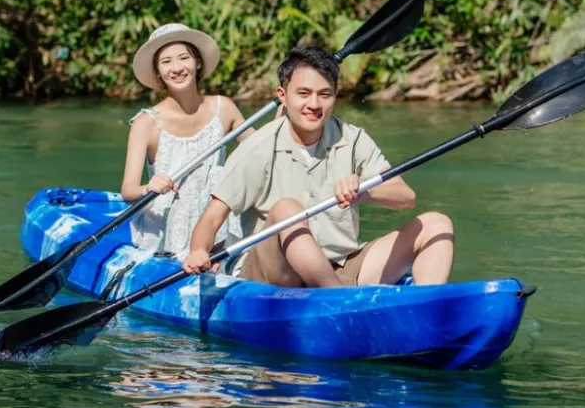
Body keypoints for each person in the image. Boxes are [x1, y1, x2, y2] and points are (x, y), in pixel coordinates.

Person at [181, 46, 455, 288]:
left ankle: (428, 304)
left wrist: (365, 191)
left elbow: (405, 197)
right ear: (283, 95)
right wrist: (199, 251)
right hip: (275, 274)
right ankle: (335, 297)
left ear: (336, 94)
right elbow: (212, 218)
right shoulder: (257, 148)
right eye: (303, 94)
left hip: (341, 264)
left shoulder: (353, 138)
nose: (314, 104)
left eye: (324, 95)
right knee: (287, 209)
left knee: (436, 224)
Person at [120, 23, 249, 257]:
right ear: (158, 71)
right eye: (166, 61)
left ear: (197, 62)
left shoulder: (224, 108)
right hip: (168, 229)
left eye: (184, 58)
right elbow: (128, 190)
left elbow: (261, 150)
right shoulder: (146, 123)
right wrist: (149, 187)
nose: (177, 68)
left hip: (216, 220)